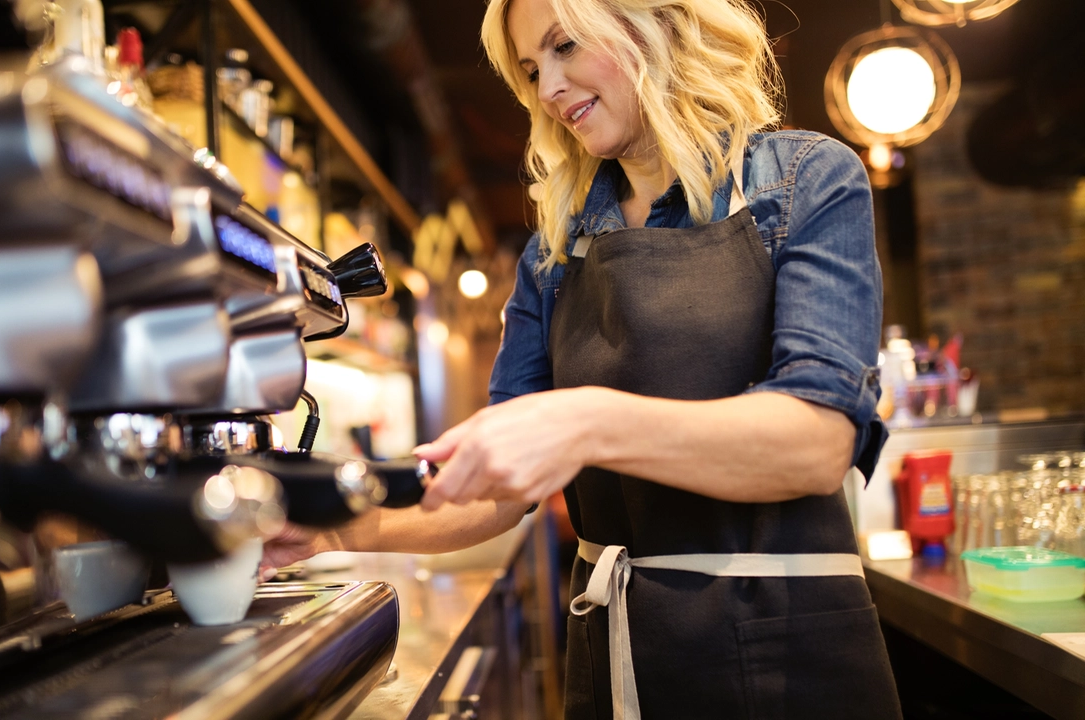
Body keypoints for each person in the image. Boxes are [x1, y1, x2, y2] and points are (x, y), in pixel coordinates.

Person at [264, 0, 902, 716]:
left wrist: (586, 425)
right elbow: (499, 489)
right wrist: (328, 528)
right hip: (616, 652)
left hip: (788, 655)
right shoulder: (554, 251)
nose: (547, 89)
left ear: (659, 21)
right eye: (532, 69)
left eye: (565, 46)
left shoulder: (805, 181)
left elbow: (816, 444)